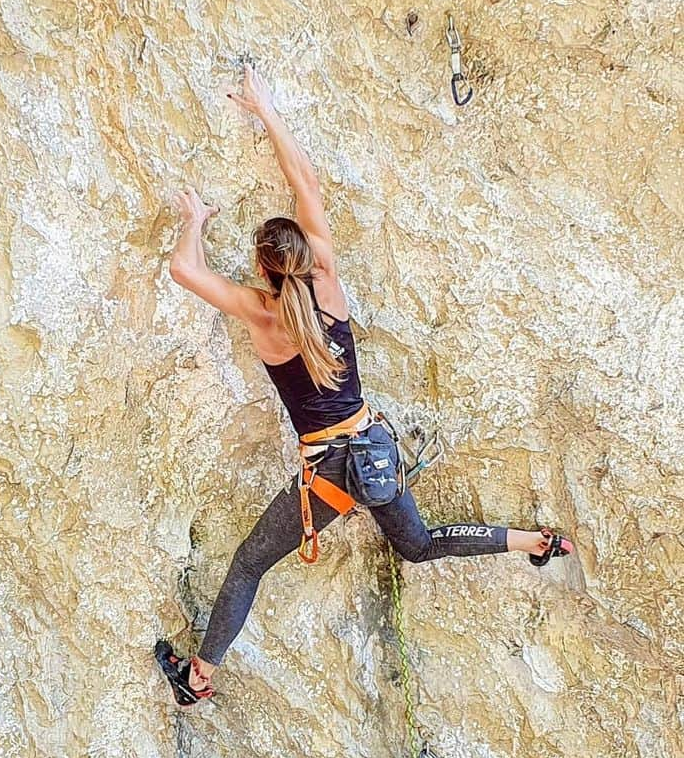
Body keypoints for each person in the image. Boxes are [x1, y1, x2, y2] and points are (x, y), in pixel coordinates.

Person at [155, 64, 573, 708]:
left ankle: (201, 676)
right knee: (420, 545)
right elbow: (307, 182)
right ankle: (534, 543)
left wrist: (195, 217)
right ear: (305, 258)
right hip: (375, 451)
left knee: (249, 564)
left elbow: (185, 269)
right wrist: (266, 110)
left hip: (328, 473)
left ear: (264, 268)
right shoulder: (328, 282)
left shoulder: (261, 314)